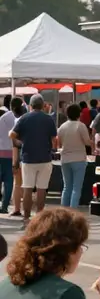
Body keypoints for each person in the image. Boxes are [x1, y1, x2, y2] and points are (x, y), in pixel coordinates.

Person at [9, 93, 58, 222]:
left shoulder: (24, 118)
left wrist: (21, 141)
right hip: (45, 158)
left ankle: (26, 217)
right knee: (41, 189)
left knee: (27, 188)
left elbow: (12, 134)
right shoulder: (48, 119)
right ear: (43, 105)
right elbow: (54, 139)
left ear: (30, 105)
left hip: (28, 158)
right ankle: (39, 217)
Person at [58, 103, 92, 209]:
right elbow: (87, 142)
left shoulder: (62, 127)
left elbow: (59, 143)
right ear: (79, 114)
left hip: (65, 159)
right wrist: (93, 142)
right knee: (76, 188)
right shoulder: (80, 126)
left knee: (66, 187)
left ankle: (63, 211)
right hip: (78, 159)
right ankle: (73, 212)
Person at [0, 97, 16, 213]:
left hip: (0, 151)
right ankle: (4, 206)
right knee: (9, 181)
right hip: (12, 152)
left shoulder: (3, 118)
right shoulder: (18, 118)